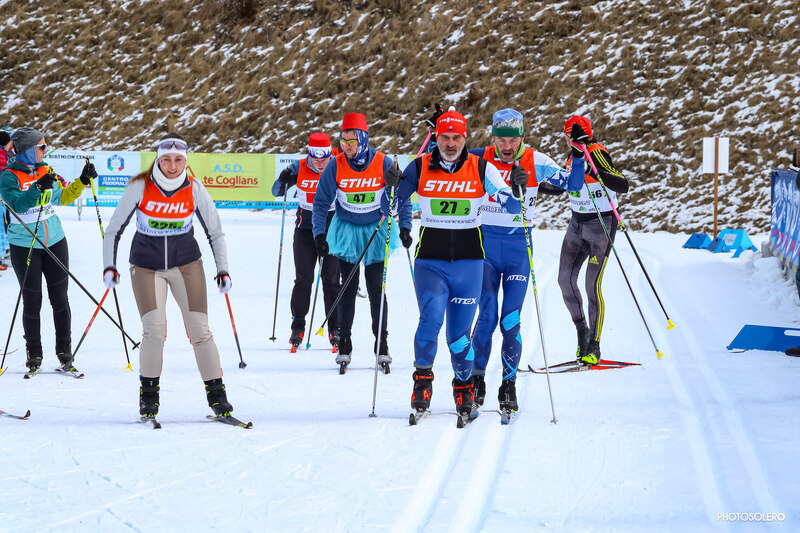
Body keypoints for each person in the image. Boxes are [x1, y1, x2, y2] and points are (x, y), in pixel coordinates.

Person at [393, 109, 525, 419]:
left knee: (459, 336)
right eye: (444, 137)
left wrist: (517, 190)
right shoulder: (419, 167)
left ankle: (463, 386)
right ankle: (422, 381)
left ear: (465, 138)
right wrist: (391, 189)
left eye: (456, 137)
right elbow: (393, 204)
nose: (450, 144)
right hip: (431, 262)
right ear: (436, 138)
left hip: (469, 264)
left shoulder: (481, 168)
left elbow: (511, 206)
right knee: (430, 321)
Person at [102, 133, 237, 420]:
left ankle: (217, 396)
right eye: (166, 160)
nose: (172, 166)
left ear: (185, 161)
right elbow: (113, 230)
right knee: (154, 330)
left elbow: (215, 232)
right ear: (158, 159)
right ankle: (149, 397)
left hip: (186, 265)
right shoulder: (140, 186)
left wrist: (222, 268)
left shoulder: (194, 188)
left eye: (178, 160)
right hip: (146, 266)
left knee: (200, 330)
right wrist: (109, 266)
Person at [469, 109, 584, 412]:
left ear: (522, 137)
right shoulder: (478, 158)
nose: (507, 147)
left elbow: (573, 185)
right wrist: (436, 135)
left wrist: (578, 153)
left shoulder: (537, 160)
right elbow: (442, 161)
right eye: (501, 140)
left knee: (510, 320)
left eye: (513, 140)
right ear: (493, 137)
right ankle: (477, 379)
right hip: (485, 246)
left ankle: (508, 385)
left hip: (518, 247)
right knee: (486, 317)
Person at [311, 112, 409, 373]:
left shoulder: (382, 162)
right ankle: (344, 341)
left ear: (363, 139)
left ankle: (382, 342)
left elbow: (402, 197)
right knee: (347, 287)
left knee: (376, 288)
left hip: (376, 229)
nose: (347, 147)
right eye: (343, 142)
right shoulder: (336, 164)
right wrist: (319, 234)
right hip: (347, 230)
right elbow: (320, 202)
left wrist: (406, 226)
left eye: (352, 142)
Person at [0, 127, 95, 373]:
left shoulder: (45, 169)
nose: (46, 150)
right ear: (28, 150)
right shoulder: (8, 176)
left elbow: (62, 197)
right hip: (25, 245)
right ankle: (34, 355)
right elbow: (18, 206)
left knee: (60, 299)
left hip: (55, 241)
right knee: (32, 301)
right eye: (41, 147)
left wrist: (83, 181)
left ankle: (65, 352)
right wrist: (36, 189)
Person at [555, 116, 629, 366]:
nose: (570, 141)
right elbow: (560, 187)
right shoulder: (571, 158)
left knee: (591, 285)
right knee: (564, 280)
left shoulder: (596, 152)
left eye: (572, 137)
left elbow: (622, 184)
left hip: (601, 224)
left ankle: (594, 346)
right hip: (577, 224)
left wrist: (592, 171)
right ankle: (582, 334)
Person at [271, 132, 341, 351]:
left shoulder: (339, 166)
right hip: (305, 232)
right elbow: (275, 192)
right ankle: (297, 327)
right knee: (303, 280)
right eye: (316, 159)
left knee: (332, 281)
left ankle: (336, 328)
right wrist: (282, 180)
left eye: (325, 159)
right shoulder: (299, 167)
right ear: (309, 155)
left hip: (332, 232)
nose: (320, 164)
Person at [0, 128, 13, 270]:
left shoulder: (4, 154)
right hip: (2, 196)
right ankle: (3, 254)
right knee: (3, 223)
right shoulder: (2, 156)